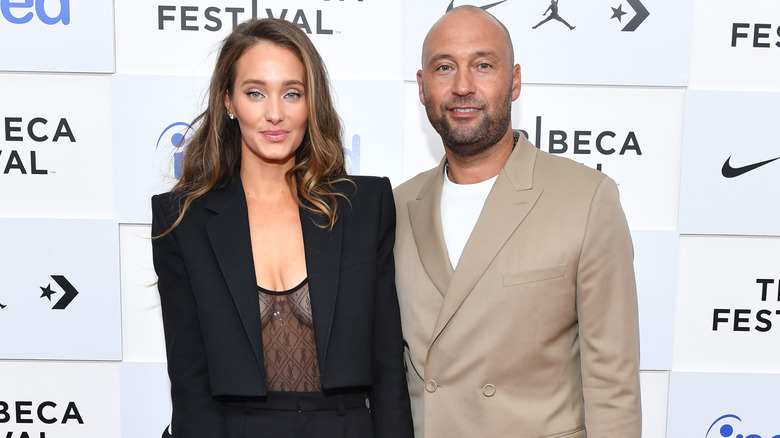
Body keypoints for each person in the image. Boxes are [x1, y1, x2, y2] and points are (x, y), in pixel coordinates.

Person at [151, 18, 413, 438]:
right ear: (229, 102)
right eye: (255, 93)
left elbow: (387, 369)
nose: (275, 113)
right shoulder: (184, 219)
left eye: (292, 93)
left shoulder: (362, 207)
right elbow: (190, 382)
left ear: (312, 103)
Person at [393, 6, 641, 438]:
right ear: (422, 86)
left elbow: (612, 383)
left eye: (483, 65)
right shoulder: (395, 207)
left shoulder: (585, 198)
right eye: (444, 67)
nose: (463, 86)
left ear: (515, 81)